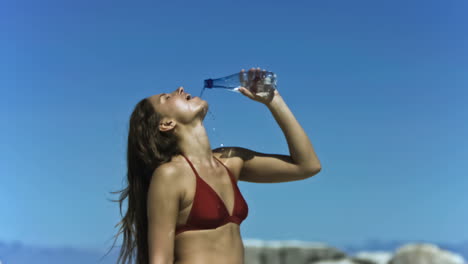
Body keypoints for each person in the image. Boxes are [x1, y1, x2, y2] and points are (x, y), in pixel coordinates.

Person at [108, 68, 322, 264]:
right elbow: (159, 260)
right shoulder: (170, 175)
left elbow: (307, 166)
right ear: (166, 124)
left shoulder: (232, 161)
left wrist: (274, 101)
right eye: (167, 97)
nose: (180, 89)